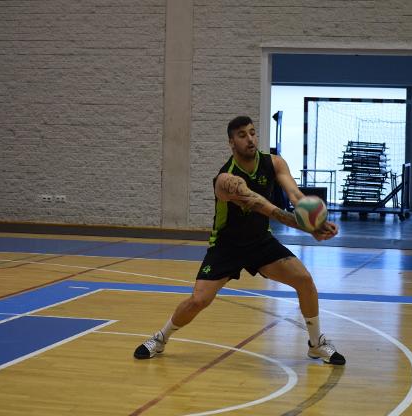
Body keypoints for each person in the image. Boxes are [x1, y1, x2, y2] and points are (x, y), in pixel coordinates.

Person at [134, 116, 345, 365]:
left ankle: (316, 344)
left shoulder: (274, 163)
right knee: (199, 300)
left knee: (304, 280)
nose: (250, 139)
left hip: (259, 242)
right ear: (231, 142)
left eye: (253, 133)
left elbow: (296, 196)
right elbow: (265, 208)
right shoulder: (226, 180)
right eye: (242, 135)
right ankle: (160, 338)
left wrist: (316, 222)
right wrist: (307, 229)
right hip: (226, 246)